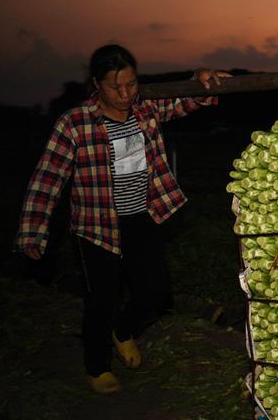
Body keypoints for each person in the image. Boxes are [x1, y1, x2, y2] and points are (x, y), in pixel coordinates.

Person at [15, 44, 230, 394]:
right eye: (116, 87)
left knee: (156, 290)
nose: (126, 93)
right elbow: (47, 178)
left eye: (132, 84)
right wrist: (33, 232)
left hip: (141, 217)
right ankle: (97, 366)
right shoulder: (75, 123)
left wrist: (200, 79)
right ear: (96, 84)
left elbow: (187, 100)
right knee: (101, 299)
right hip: (96, 227)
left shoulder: (145, 109)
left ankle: (124, 330)